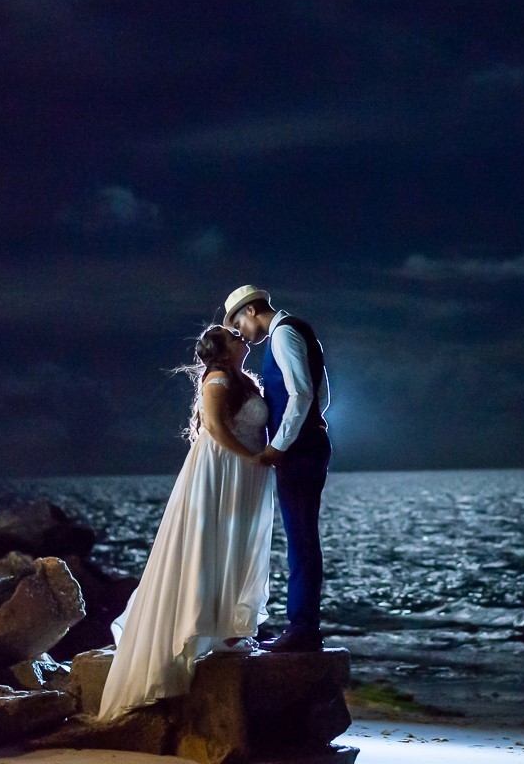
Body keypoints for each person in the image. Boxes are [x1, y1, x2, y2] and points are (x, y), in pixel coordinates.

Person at [97, 326, 275, 720]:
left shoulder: (243, 379)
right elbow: (213, 427)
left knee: (239, 543)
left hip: (243, 475)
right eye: (233, 335)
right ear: (222, 349)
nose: (241, 337)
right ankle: (202, 626)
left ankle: (228, 625)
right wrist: (250, 458)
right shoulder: (218, 378)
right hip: (223, 471)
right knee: (212, 542)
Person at [223, 284, 331, 653]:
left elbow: (301, 394)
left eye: (239, 321)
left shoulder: (283, 335)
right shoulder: (299, 330)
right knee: (302, 537)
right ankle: (302, 625)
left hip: (298, 450)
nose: (241, 331)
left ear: (251, 310)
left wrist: (277, 445)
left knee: (300, 539)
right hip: (309, 444)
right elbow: (321, 394)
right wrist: (312, 424)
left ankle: (303, 628)